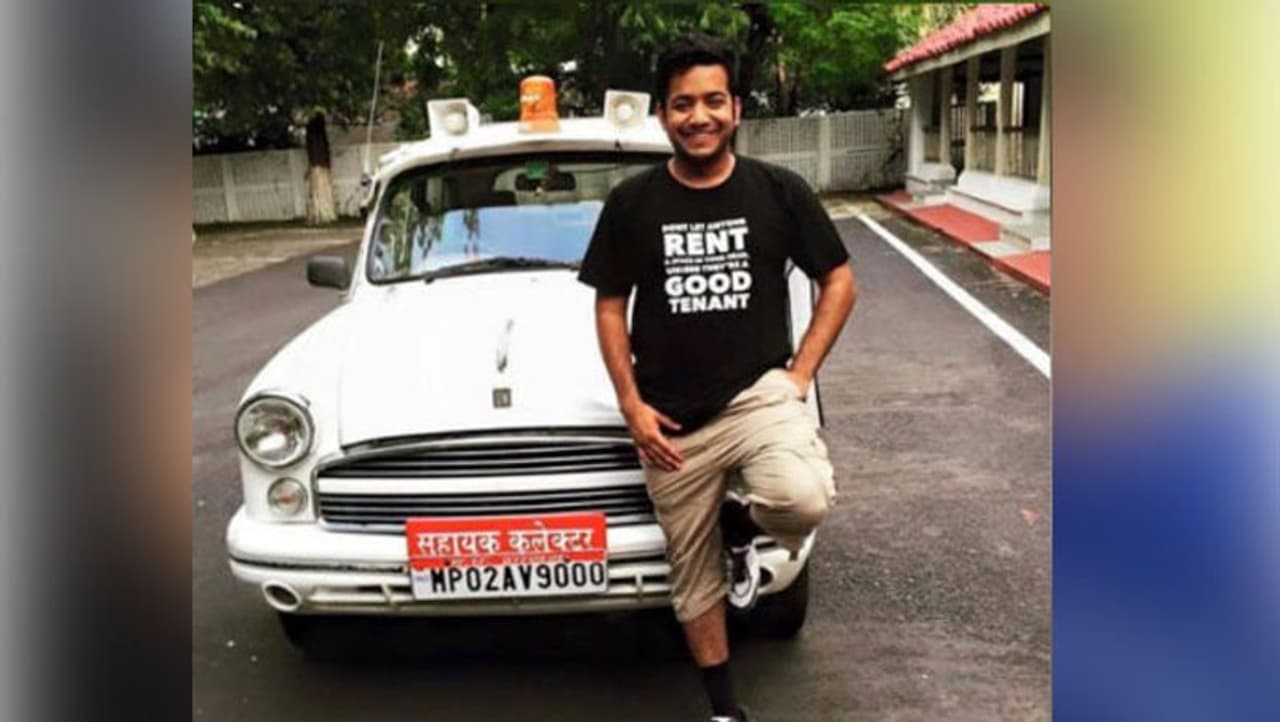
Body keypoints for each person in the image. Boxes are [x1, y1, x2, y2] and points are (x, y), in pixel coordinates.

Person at [577, 34, 857, 722]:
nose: (697, 117)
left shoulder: (778, 191)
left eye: (712, 101)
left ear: (735, 108)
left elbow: (839, 280)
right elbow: (610, 305)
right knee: (691, 574)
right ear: (662, 115)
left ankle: (739, 520)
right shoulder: (633, 203)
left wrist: (799, 375)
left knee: (802, 500)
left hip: (757, 395)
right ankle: (726, 710)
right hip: (671, 420)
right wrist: (632, 405)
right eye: (682, 105)